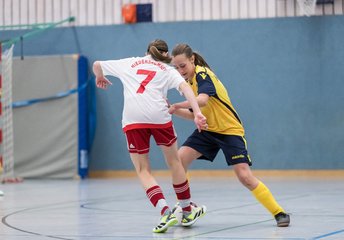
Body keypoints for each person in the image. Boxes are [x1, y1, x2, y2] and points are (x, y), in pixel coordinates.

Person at [169, 43, 290, 227]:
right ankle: (187, 207)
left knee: (244, 176)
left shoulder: (203, 74)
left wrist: (178, 104)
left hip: (229, 131)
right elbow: (194, 114)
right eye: (176, 67)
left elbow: (202, 100)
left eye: (182, 66)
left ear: (192, 59)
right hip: (208, 130)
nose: (180, 70)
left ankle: (278, 212)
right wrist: (173, 110)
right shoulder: (187, 83)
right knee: (180, 159)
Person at [92, 40, 207, 233]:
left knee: (143, 169)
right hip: (159, 115)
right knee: (174, 163)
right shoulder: (167, 69)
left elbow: (96, 64)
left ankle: (165, 211)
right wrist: (197, 113)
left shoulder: (130, 62)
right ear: (165, 53)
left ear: (146, 52)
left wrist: (100, 77)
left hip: (133, 118)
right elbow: (186, 89)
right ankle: (187, 210)